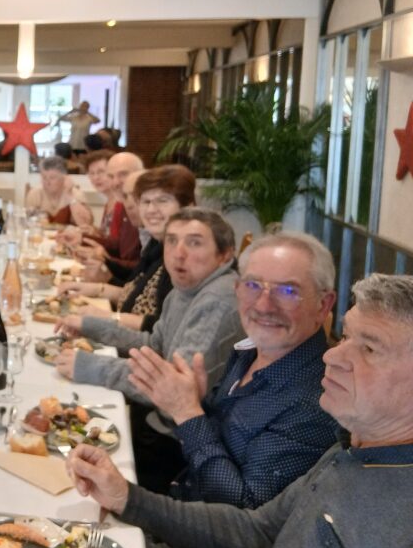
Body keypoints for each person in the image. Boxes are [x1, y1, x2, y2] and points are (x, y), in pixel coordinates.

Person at [68, 272, 413, 548]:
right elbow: (258, 531)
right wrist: (127, 498)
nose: (332, 356)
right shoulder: (350, 448)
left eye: (369, 349)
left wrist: (187, 412)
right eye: (345, 337)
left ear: (323, 303)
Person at [128, 231, 339, 510]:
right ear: (237, 289)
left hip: (200, 531)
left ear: (323, 305)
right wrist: (197, 404)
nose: (263, 305)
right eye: (253, 285)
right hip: (181, 496)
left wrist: (187, 412)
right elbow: (216, 442)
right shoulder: (248, 352)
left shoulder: (316, 403)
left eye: (287, 291)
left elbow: (244, 511)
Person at [56, 207, 244, 492]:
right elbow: (153, 346)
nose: (178, 253)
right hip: (158, 422)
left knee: (68, 460)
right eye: (172, 241)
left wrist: (90, 367)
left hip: (177, 447)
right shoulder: (184, 290)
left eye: (194, 243)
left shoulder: (218, 300)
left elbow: (169, 385)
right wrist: (91, 326)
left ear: (225, 255)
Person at [60, 165, 195, 332]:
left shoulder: (185, 258)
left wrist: (107, 317)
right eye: (146, 201)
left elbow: (164, 328)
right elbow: (135, 294)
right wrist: (97, 288)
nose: (151, 210)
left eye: (162, 200)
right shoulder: (157, 244)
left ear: (187, 207)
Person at [24, 155, 93, 226]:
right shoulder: (35, 194)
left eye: (52, 178)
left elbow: (85, 224)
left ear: (64, 178)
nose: (47, 182)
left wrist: (70, 197)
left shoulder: (75, 194)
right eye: (44, 177)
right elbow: (28, 223)